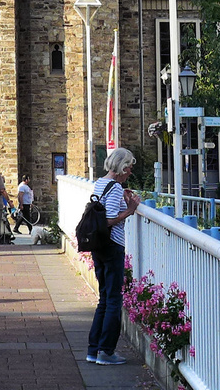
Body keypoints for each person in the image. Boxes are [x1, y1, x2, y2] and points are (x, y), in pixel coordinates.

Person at [85, 147, 141, 366]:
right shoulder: (115, 187)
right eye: (129, 169)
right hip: (112, 246)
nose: (130, 173)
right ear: (122, 167)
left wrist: (122, 199)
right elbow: (108, 219)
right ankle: (106, 351)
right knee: (114, 299)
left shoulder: (100, 183)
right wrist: (130, 209)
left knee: (104, 299)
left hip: (98, 246)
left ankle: (93, 349)